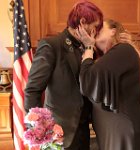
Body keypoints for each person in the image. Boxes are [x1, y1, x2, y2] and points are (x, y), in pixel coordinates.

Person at [24, 1, 103, 150]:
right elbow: (32, 90)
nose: (96, 31)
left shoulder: (88, 47)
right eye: (95, 26)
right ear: (83, 22)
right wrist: (40, 130)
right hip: (58, 133)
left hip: (83, 131)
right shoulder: (51, 45)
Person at [78, 19, 140, 150]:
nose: (94, 31)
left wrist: (88, 47)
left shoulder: (123, 49)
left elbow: (88, 81)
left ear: (113, 31)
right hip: (114, 128)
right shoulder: (107, 57)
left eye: (99, 28)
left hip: (122, 127)